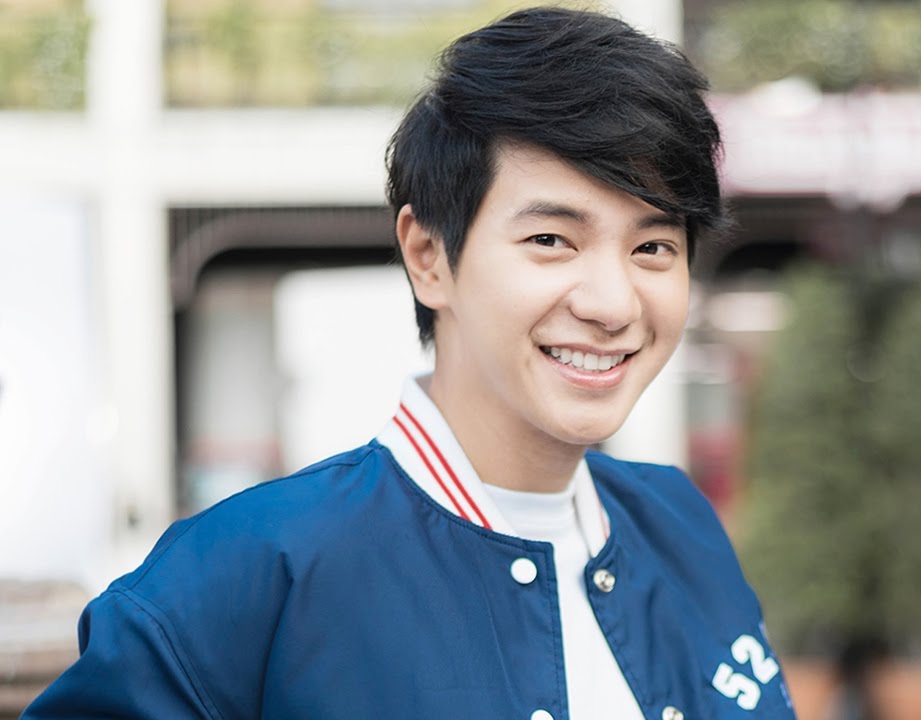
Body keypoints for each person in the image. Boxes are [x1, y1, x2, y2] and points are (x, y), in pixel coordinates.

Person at [25, 7, 795, 719]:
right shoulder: (247, 570)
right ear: (428, 256)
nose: (612, 303)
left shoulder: (677, 524)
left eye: (653, 247)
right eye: (551, 240)